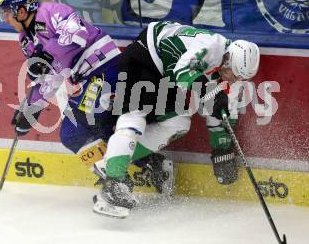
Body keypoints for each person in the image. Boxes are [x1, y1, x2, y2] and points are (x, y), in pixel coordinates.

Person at [0, 0, 174, 193]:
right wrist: (30, 111)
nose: (6, 19)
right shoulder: (26, 40)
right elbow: (50, 77)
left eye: (7, 13)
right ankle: (151, 167)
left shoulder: (52, 12)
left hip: (107, 69)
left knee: (82, 122)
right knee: (74, 134)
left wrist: (46, 56)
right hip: (88, 81)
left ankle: (119, 185)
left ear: (21, 10)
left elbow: (77, 34)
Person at [92, 21, 260, 218]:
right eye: (235, 74)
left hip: (164, 72)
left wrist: (221, 148)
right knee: (134, 118)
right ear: (228, 59)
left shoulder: (224, 65)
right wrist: (210, 93)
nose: (234, 80)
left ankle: (112, 160)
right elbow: (182, 71)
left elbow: (219, 108)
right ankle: (113, 184)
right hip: (143, 58)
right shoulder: (210, 48)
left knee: (178, 122)